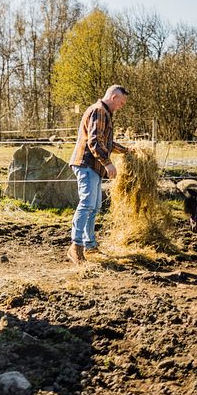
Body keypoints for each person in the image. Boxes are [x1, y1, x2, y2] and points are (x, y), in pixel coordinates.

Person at [67, 84, 129, 264]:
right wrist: (108, 163)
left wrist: (127, 151)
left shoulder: (104, 113)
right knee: (87, 204)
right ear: (113, 97)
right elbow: (94, 142)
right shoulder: (99, 111)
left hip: (93, 166)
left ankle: (90, 245)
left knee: (94, 206)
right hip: (87, 163)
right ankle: (75, 246)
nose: (121, 106)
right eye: (121, 102)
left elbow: (106, 142)